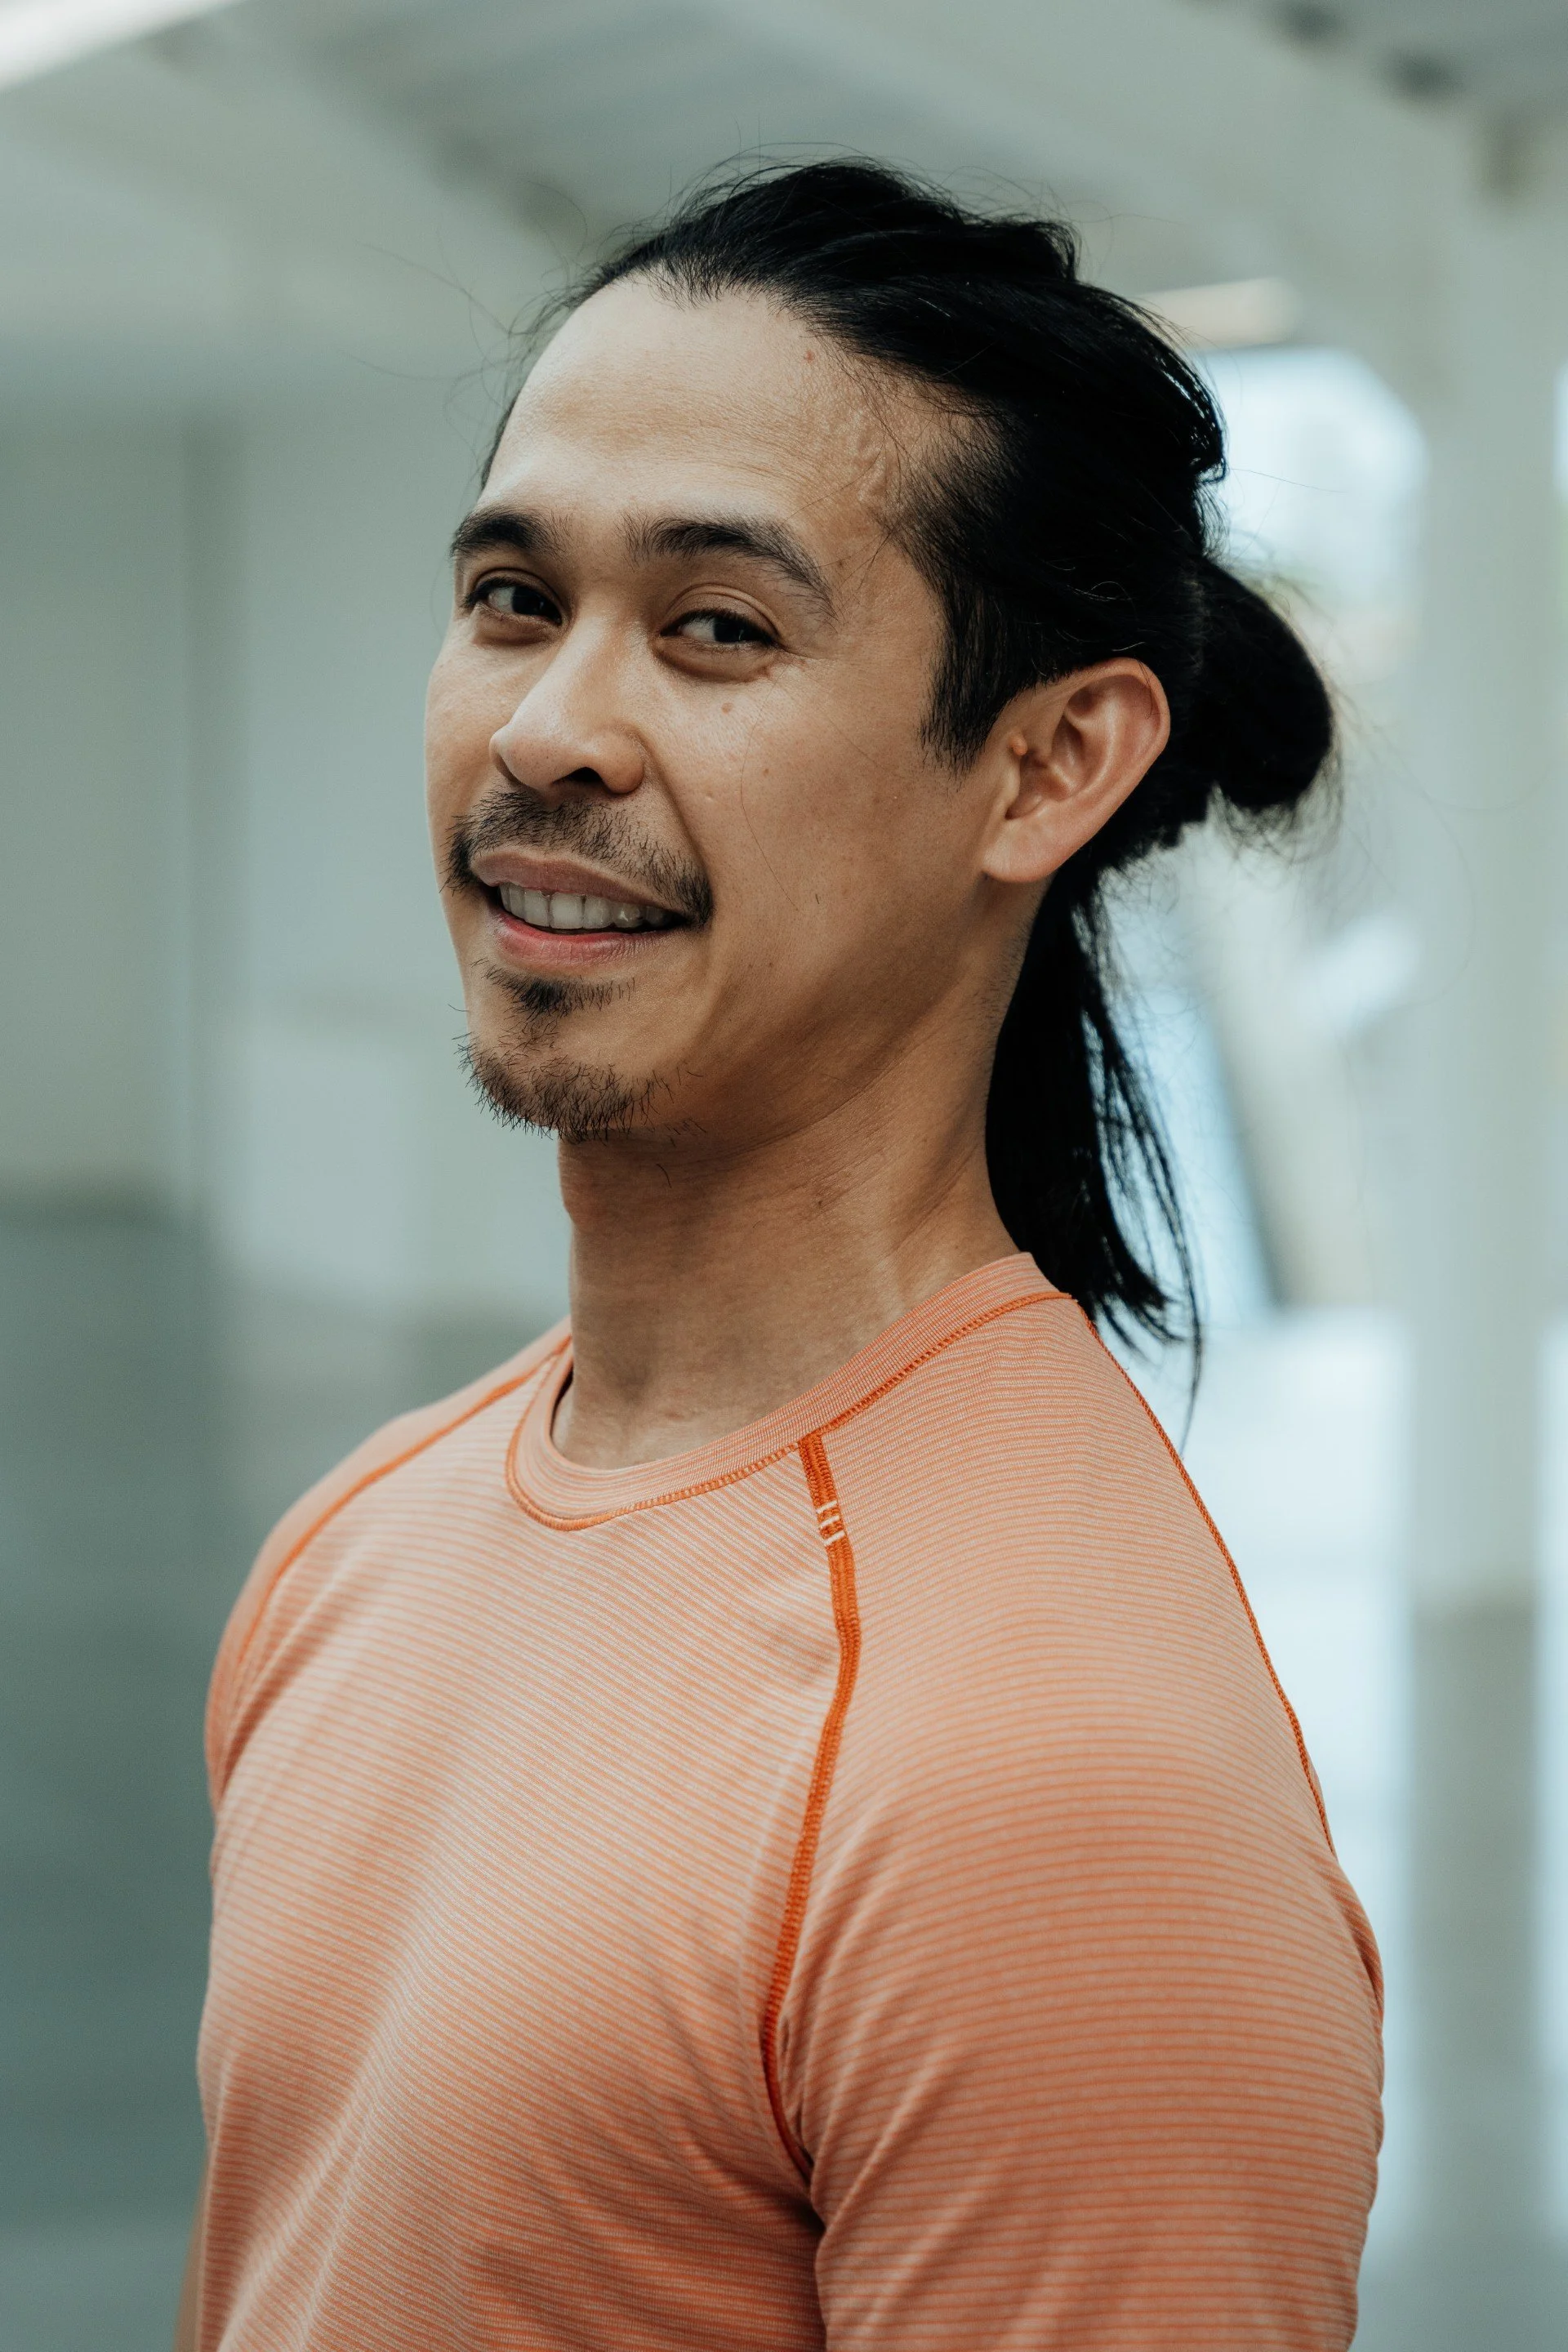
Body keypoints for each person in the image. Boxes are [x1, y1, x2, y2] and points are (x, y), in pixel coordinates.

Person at [177, 162, 1382, 2352]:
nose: (549, 730)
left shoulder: (1058, 1798)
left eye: (717, 627)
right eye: (515, 600)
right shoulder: (360, 1540)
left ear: (1046, 764)